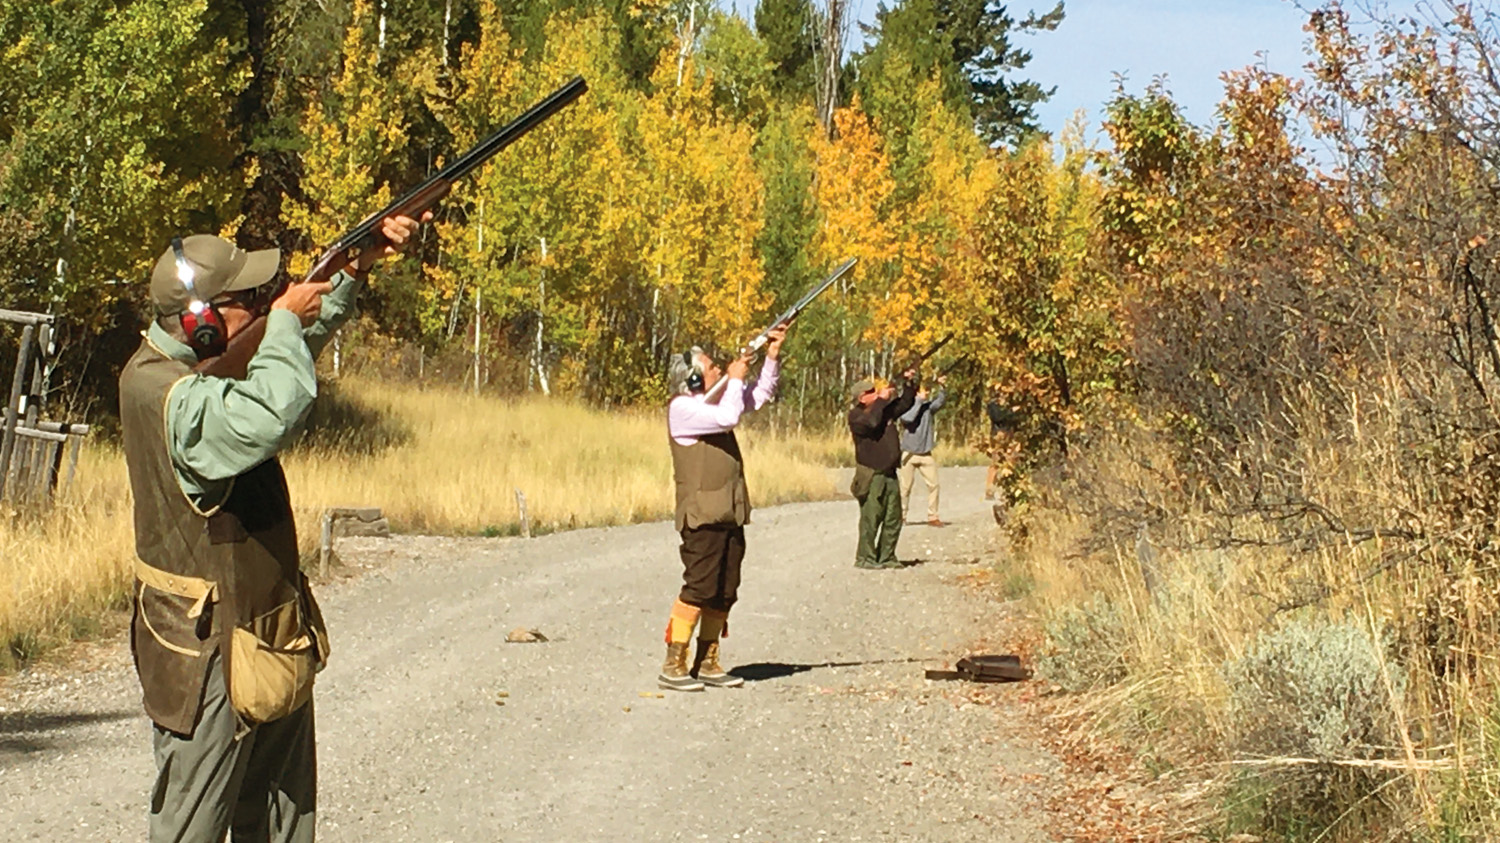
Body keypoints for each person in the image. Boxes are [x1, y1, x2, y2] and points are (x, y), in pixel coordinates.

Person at [119, 213, 425, 842]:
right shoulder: (170, 395)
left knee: (282, 818)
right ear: (201, 321)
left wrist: (351, 270)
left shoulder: (198, 367)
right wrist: (284, 319)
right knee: (191, 827)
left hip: (263, 624)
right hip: (204, 649)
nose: (262, 304)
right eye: (246, 300)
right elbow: (272, 405)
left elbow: (274, 356)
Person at [659, 325, 789, 692]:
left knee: (724, 590)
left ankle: (707, 660)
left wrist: (771, 357)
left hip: (728, 513)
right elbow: (730, 417)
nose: (718, 370)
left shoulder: (716, 399)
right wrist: (734, 378)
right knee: (698, 588)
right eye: (712, 367)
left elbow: (760, 396)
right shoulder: (682, 409)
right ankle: (674, 662)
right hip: (701, 516)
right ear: (696, 378)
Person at [848, 369, 918, 569]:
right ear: (862, 398)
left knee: (893, 517)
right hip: (871, 473)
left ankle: (887, 556)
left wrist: (909, 382)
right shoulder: (856, 416)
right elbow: (872, 423)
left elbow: (905, 404)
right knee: (871, 517)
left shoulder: (881, 410)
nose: (875, 392)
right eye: (871, 391)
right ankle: (865, 557)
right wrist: (881, 400)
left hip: (889, 472)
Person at [898, 374, 948, 527]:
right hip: (909, 454)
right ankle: (901, 516)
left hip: (926, 454)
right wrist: (918, 401)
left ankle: (933, 515)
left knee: (934, 485)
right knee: (905, 488)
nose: (926, 394)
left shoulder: (928, 408)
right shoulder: (906, 407)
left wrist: (942, 387)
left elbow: (940, 402)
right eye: (923, 391)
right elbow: (908, 419)